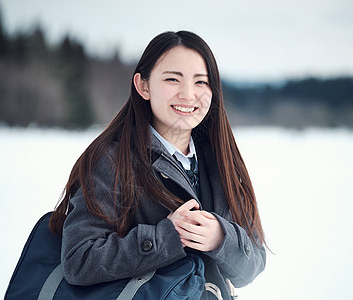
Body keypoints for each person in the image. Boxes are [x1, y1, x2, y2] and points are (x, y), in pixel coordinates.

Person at [49, 30, 266, 299]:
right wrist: (166, 237)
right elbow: (79, 260)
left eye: (201, 82)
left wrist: (221, 239)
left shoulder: (220, 161)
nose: (188, 94)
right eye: (173, 79)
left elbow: (253, 263)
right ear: (143, 86)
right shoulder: (111, 161)